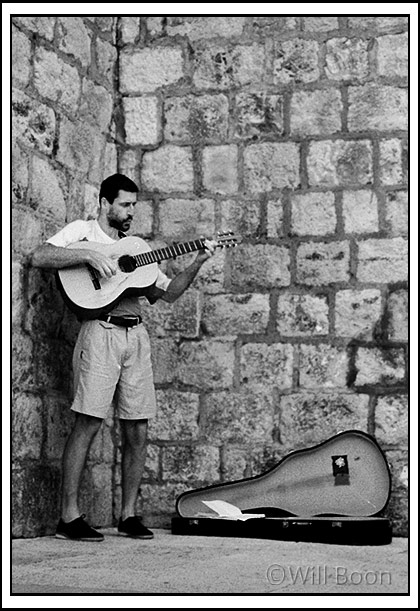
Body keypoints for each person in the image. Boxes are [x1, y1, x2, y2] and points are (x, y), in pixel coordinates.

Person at [31, 173, 216, 542]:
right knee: (88, 422)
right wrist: (88, 255)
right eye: (125, 204)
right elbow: (40, 255)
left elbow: (170, 294)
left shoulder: (136, 247)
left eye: (134, 205)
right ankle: (69, 517)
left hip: (136, 336)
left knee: (138, 426)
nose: (131, 211)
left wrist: (197, 262)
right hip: (100, 331)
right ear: (105, 203)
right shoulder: (82, 231)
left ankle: (128, 515)